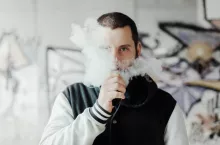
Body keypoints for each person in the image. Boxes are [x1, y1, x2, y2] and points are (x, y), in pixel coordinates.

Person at [39, 12, 189, 145]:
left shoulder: (166, 105)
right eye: (105, 49)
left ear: (138, 50)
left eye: (123, 49)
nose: (114, 59)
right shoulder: (71, 97)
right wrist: (97, 113)